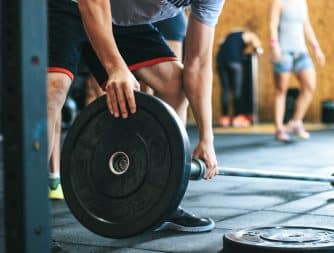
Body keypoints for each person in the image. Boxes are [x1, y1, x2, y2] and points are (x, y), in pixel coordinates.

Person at [47, 0, 224, 232]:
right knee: (53, 89)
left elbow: (199, 63)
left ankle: (160, 200)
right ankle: (30, 218)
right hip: (68, 5)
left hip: (119, 20)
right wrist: (115, 66)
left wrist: (206, 137)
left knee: (175, 86)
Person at [270, 0, 325, 142]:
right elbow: (273, 24)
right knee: (281, 90)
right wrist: (274, 45)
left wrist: (316, 48)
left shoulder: (302, 3)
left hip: (301, 52)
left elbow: (307, 26)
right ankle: (279, 129)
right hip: (284, 51)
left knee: (309, 86)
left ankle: (295, 122)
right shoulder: (279, 2)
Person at [216, 29, 262, 127]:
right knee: (238, 90)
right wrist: (257, 50)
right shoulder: (249, 34)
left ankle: (225, 118)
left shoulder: (229, 34)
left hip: (220, 61)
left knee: (225, 89)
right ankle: (238, 117)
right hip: (234, 61)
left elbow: (220, 43)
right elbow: (256, 45)